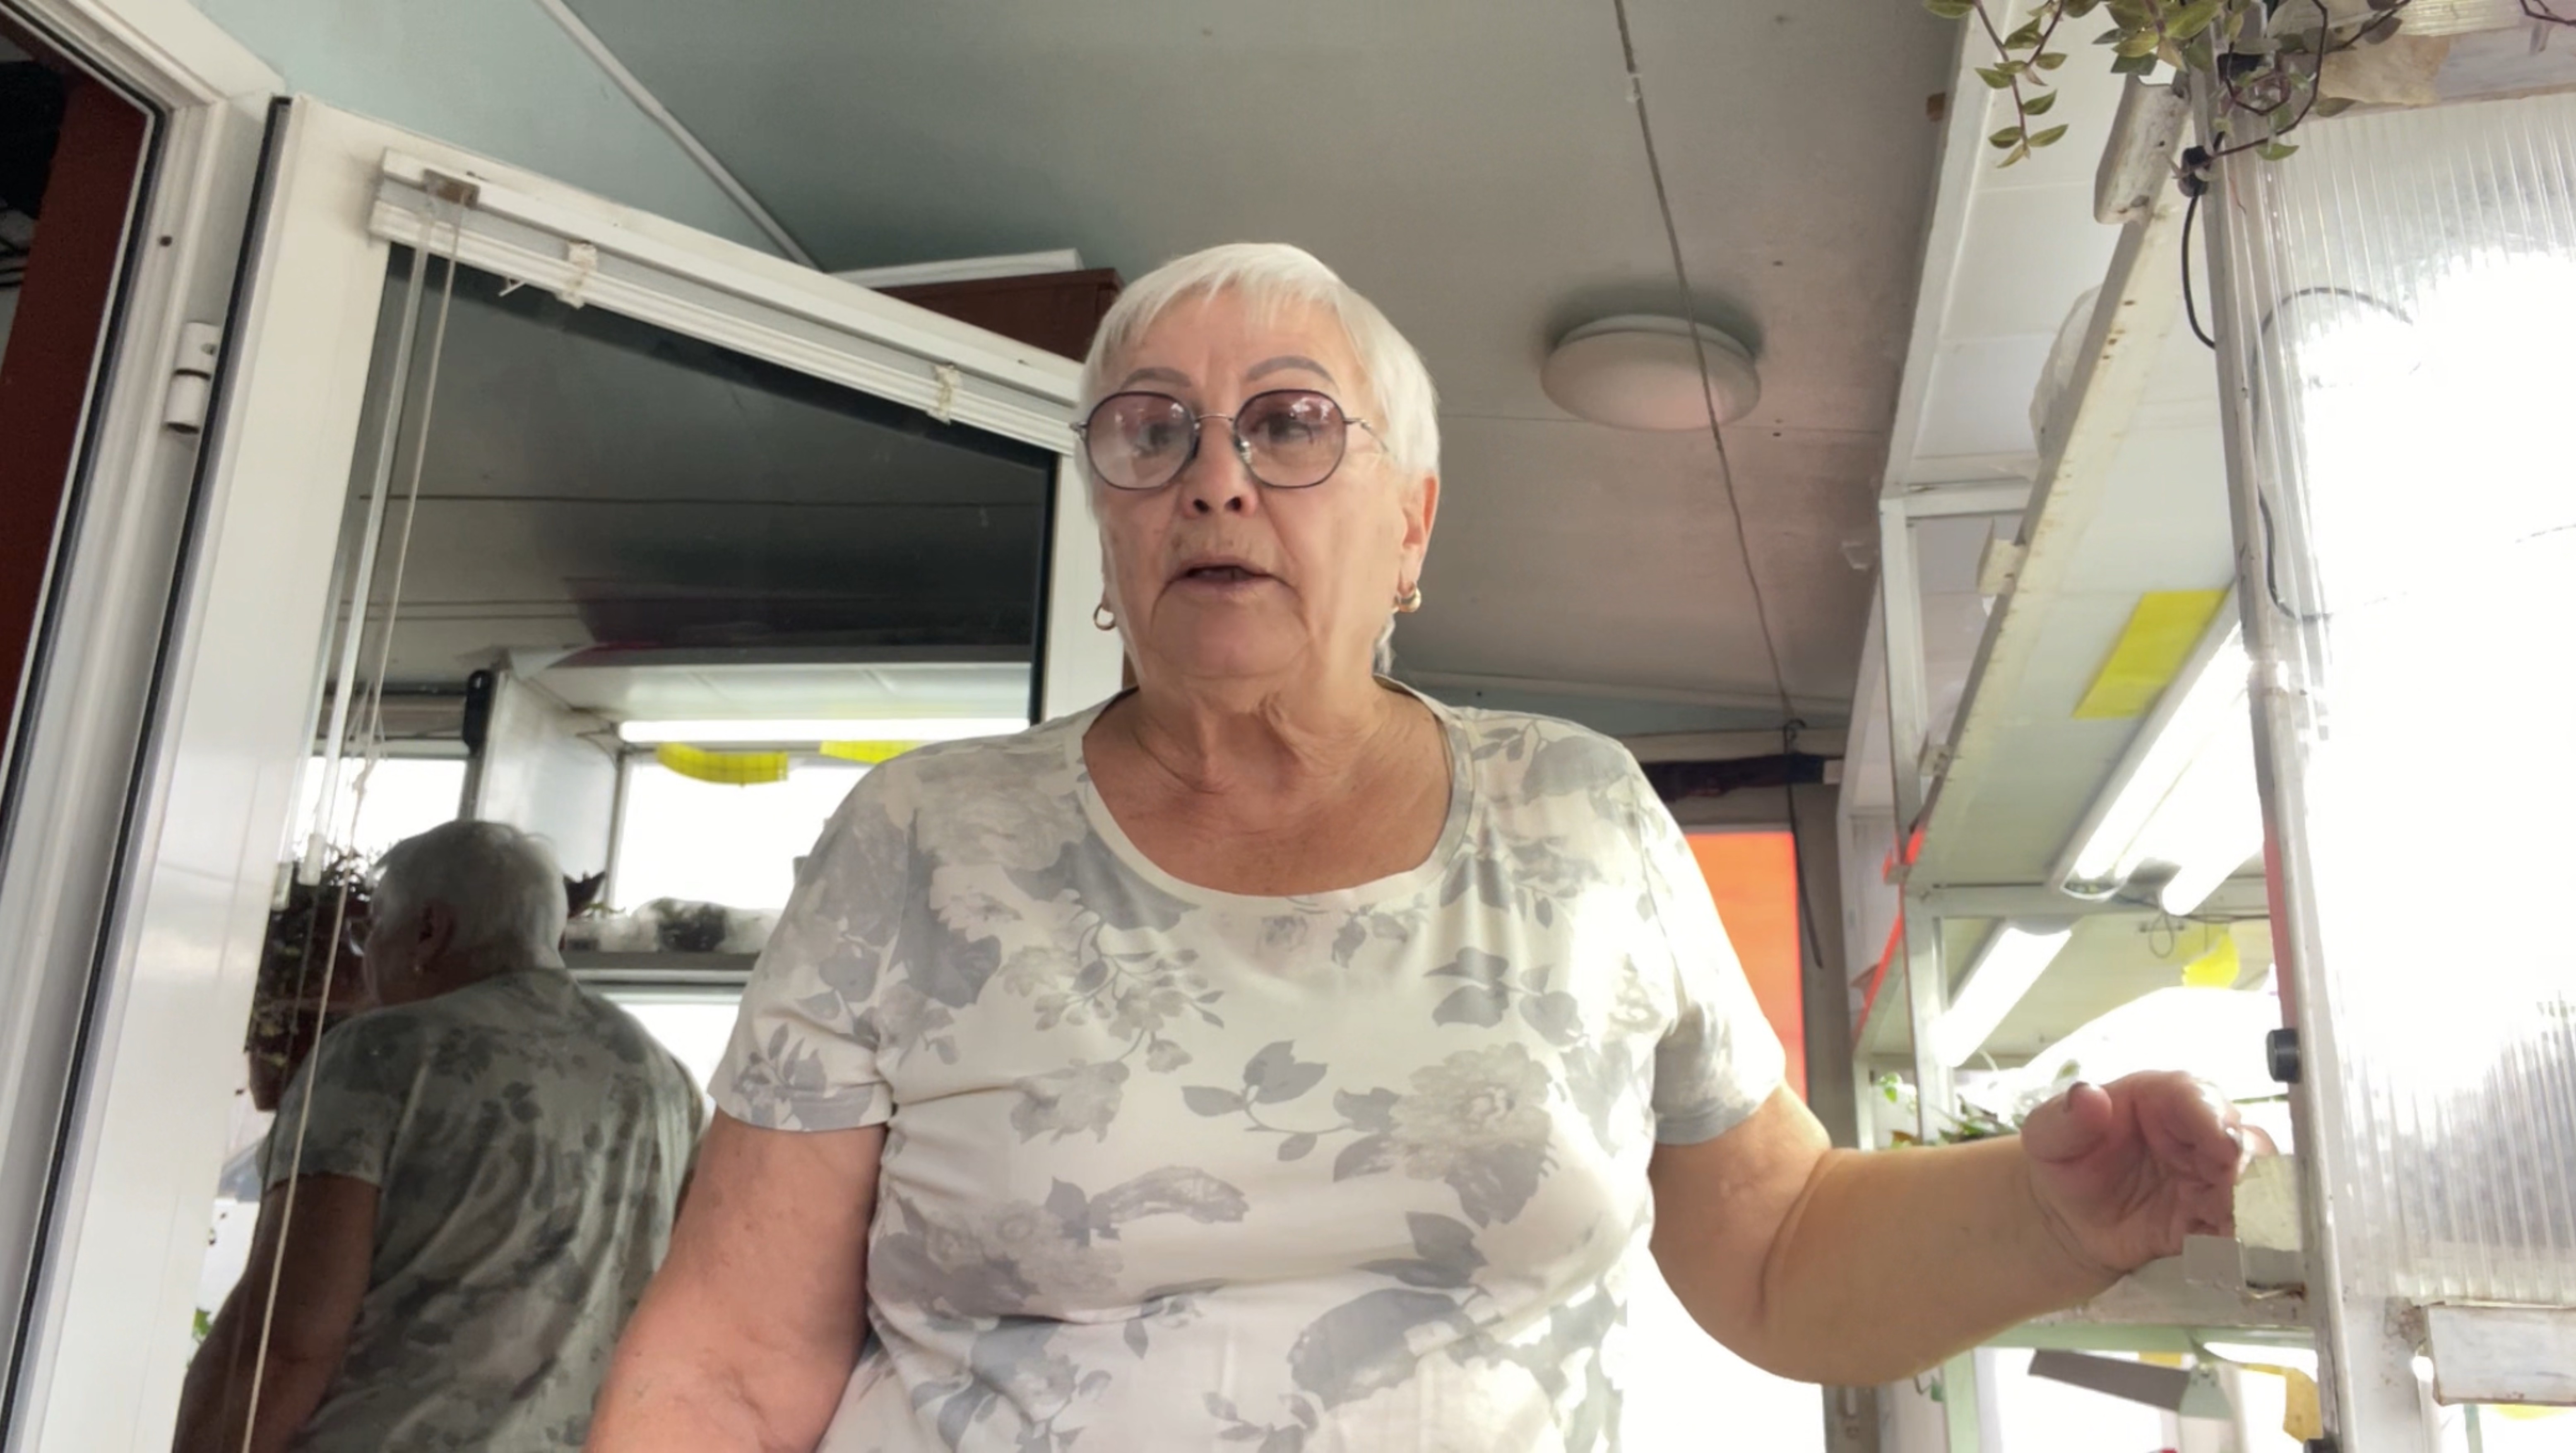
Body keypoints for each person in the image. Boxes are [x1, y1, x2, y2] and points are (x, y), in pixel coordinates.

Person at [589, 244, 2256, 1452]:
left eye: (1289, 425)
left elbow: (1773, 1249)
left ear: (1410, 526)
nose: (1215, 480)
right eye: (1151, 432)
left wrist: (2050, 1218)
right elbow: (727, 1365)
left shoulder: (1577, 815)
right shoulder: (920, 842)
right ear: (1106, 518)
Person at [176, 820, 705, 1452]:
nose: (365, 958)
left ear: (428, 929)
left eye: (371, 930)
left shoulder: (383, 1054)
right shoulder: (664, 1080)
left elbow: (292, 1336)